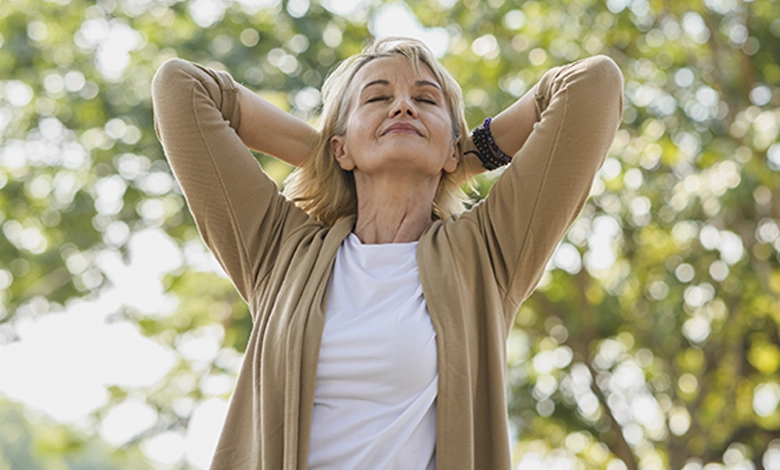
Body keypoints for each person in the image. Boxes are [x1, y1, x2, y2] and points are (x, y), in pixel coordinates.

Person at [152, 37, 623, 470]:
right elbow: (182, 88)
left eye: (425, 100)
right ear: (341, 147)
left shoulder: (487, 252)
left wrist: (463, 156)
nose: (402, 105)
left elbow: (592, 86)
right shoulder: (279, 249)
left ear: (452, 149)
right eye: (377, 98)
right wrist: (330, 157)